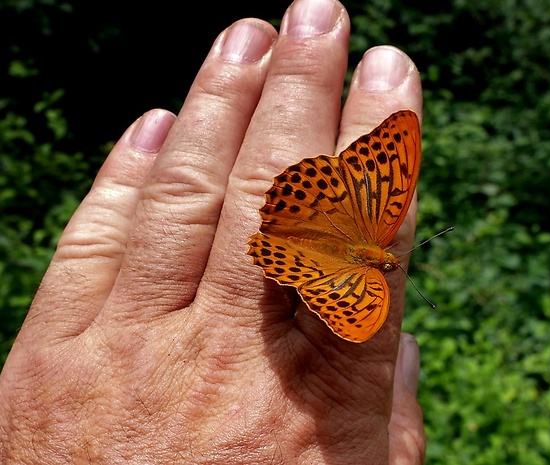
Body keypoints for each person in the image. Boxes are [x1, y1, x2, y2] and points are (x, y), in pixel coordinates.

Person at [0, 0, 426, 462]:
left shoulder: (379, 247)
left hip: (321, 207)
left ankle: (287, 227)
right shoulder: (372, 279)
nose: (390, 264)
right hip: (318, 254)